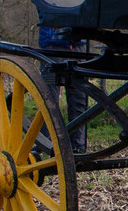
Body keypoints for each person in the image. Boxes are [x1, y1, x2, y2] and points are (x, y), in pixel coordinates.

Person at [37, 23, 89, 154]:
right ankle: (45, 144)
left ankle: (78, 145)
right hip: (52, 47)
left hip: (77, 46)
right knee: (49, 98)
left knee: (79, 98)